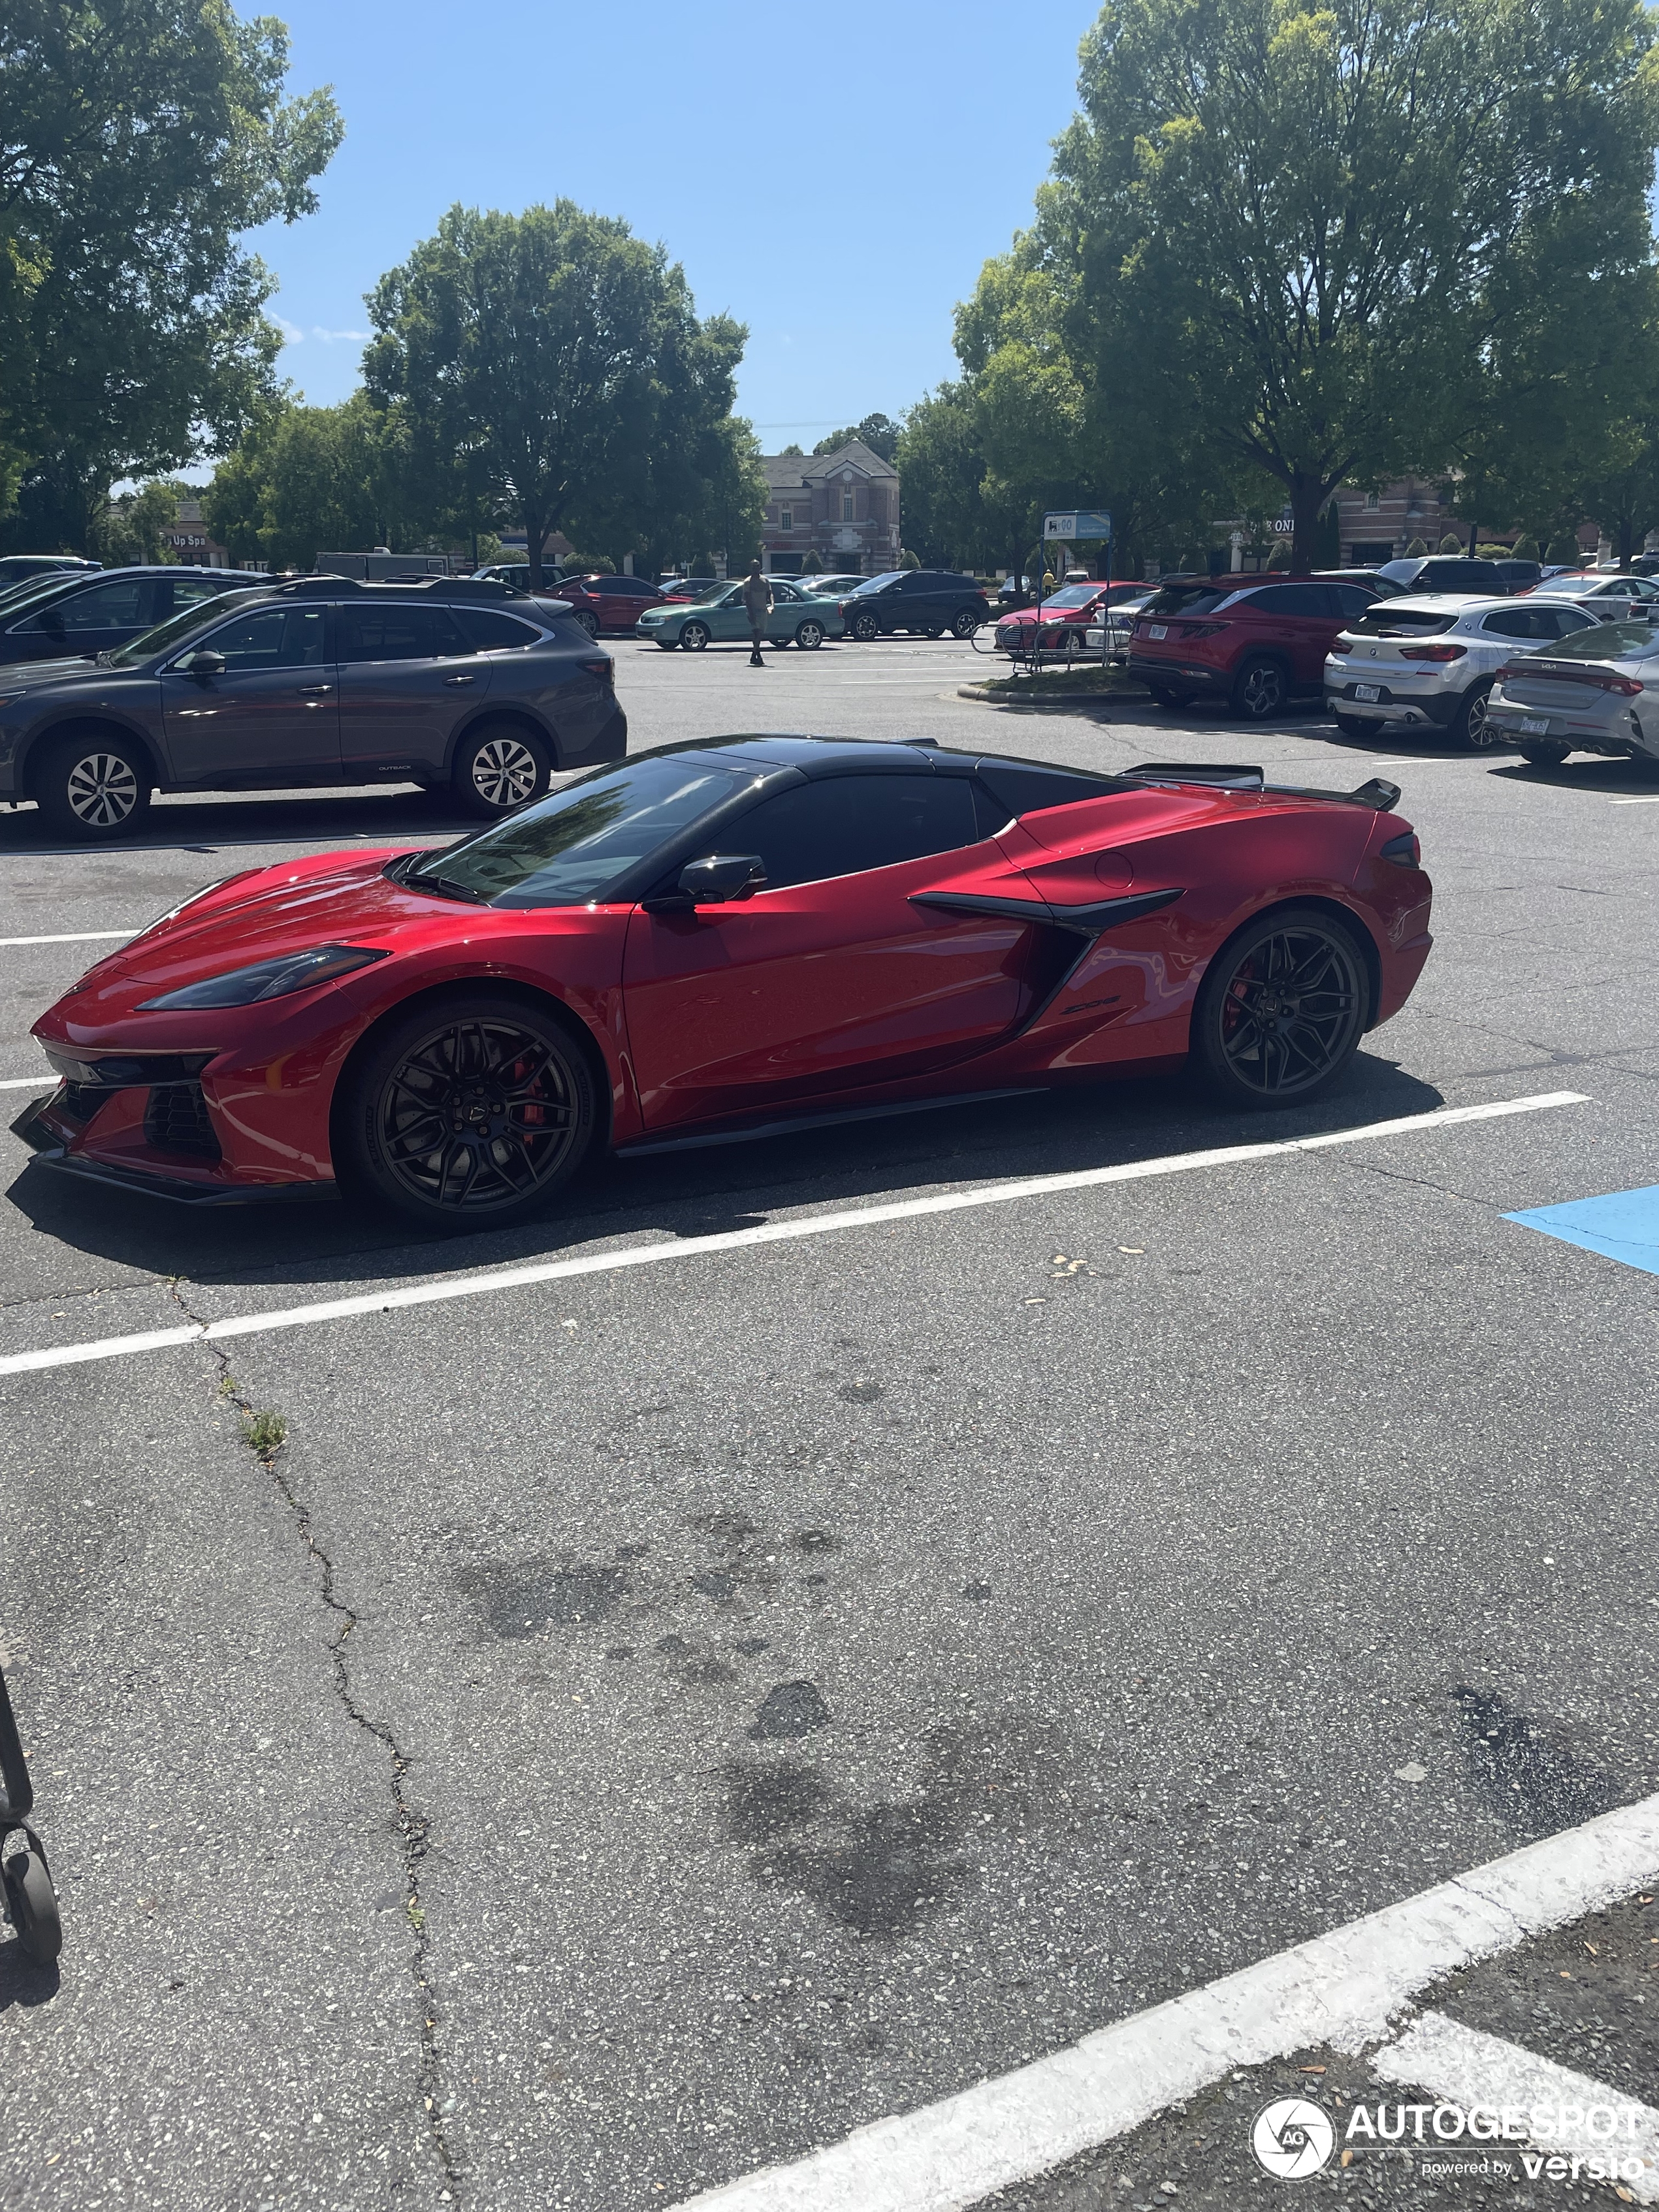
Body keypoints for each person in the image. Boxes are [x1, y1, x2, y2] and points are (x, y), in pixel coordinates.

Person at [741, 558, 773, 666]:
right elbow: (747, 599)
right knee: (757, 632)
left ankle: (756, 655)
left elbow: (770, 593)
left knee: (759, 634)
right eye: (754, 566)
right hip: (753, 611)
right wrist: (751, 613)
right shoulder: (748, 582)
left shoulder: (765, 580)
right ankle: (756, 654)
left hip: (763, 610)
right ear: (751, 568)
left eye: (757, 566)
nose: (756, 568)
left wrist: (772, 605)